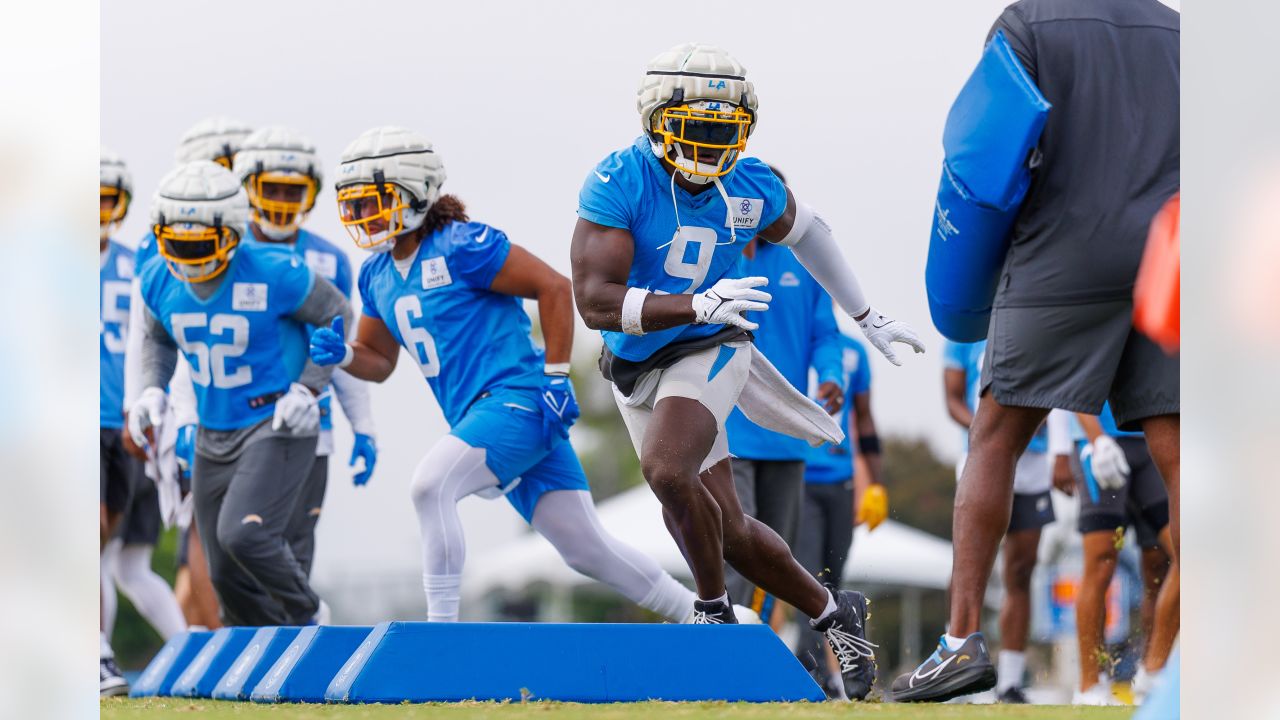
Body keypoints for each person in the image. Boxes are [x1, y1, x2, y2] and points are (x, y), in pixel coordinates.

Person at [569, 42, 923, 700]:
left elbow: (811, 232)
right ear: (655, 121)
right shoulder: (620, 181)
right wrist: (691, 300)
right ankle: (830, 612)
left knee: (667, 469)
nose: (707, 145)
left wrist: (867, 315)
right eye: (692, 128)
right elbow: (594, 302)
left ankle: (711, 612)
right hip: (636, 353)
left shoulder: (752, 183)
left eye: (720, 130)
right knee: (728, 527)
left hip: (714, 341)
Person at [308, 126, 754, 626]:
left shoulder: (461, 245)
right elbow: (378, 359)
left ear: (415, 191)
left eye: (374, 201)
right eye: (355, 204)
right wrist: (344, 354)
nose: (362, 215)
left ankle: (441, 633)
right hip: (487, 414)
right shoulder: (376, 273)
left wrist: (557, 375)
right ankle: (716, 618)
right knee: (586, 549)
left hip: (516, 399)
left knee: (430, 487)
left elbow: (554, 288)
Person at [894, 1, 1179, 702]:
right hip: (1168, 254)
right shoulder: (1182, 32)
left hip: (1064, 250)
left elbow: (982, 159)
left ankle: (960, 644)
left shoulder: (1028, 22)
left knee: (993, 436)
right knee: (1183, 456)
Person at [128, 160, 351, 626]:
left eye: (200, 242)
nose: (188, 257)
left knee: (243, 534)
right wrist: (152, 389)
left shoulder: (275, 270)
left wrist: (308, 389)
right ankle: (261, 641)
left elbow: (337, 315)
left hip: (274, 423)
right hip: (214, 430)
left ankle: (310, 615)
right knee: (222, 569)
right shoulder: (156, 277)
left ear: (229, 232)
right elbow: (157, 338)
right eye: (178, 242)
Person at [124, 116, 255, 629]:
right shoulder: (165, 247)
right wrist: (147, 401)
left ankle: (228, 640)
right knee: (204, 528)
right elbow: (153, 332)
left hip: (252, 404)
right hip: (195, 401)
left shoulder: (255, 246)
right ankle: (224, 641)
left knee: (240, 531)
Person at [233, 126, 378, 580]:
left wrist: (364, 427)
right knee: (237, 554)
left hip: (308, 424)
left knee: (294, 554)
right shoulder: (226, 249)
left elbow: (339, 351)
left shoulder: (330, 258)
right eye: (270, 188)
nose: (280, 199)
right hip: (232, 421)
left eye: (291, 190)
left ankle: (297, 641)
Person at [722, 177, 846, 623]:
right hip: (727, 429)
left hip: (787, 433)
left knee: (778, 561)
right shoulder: (720, 253)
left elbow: (825, 334)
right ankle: (723, 655)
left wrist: (831, 375)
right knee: (733, 546)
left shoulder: (803, 265)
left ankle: (762, 660)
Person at [942, 340, 1054, 704]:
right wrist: (990, 433)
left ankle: (1008, 682)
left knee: (1021, 571)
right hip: (982, 459)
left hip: (1033, 460)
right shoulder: (964, 332)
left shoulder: (1041, 314)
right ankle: (954, 661)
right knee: (968, 568)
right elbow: (953, 399)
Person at [1065, 404, 1178, 706]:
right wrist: (1096, 439)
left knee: (1171, 557)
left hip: (1152, 439)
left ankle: (1152, 673)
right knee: (1102, 560)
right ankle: (1090, 684)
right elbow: (1078, 378)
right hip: (1098, 441)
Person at [793, 325, 884, 697]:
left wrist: (876, 482)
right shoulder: (789, 339)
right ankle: (813, 673)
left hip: (841, 480)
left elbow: (863, 418)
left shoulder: (852, 352)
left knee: (835, 581)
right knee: (809, 577)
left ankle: (838, 668)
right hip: (798, 475)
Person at [99, 147, 137, 696]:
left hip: (120, 419)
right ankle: (97, 654)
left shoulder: (137, 263)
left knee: (104, 545)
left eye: (105, 198)